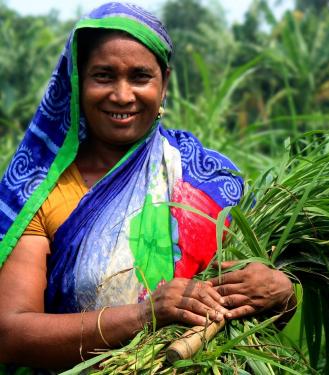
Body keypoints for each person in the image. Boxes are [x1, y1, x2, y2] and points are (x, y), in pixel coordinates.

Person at [0, 2, 294, 372]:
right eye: (104, 76)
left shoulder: (212, 182)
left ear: (164, 83)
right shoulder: (39, 192)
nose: (122, 96)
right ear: (77, 81)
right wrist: (143, 315)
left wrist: (283, 293)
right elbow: (10, 335)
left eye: (140, 77)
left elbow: (250, 311)